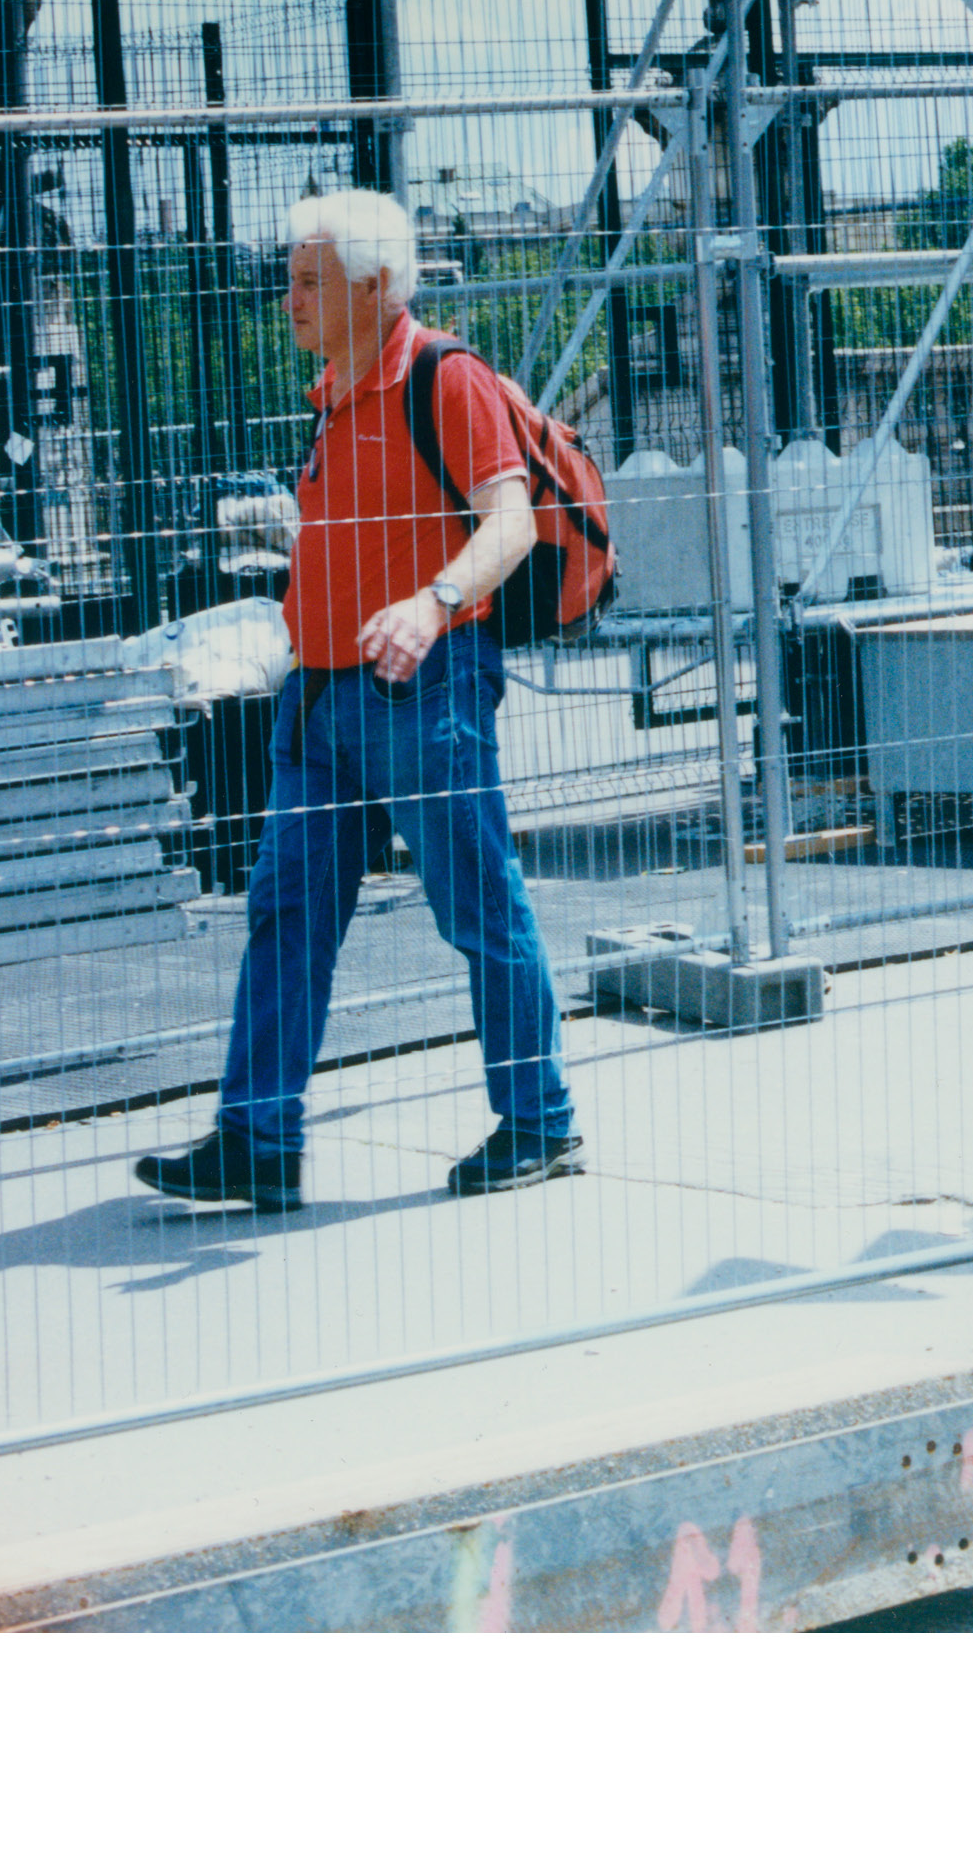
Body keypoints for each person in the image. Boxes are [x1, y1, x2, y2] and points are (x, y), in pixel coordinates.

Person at [136, 187, 586, 1214]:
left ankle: (540, 1122)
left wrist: (430, 608)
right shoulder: (335, 390)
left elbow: (509, 524)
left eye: (307, 279)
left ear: (375, 287)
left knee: (478, 906)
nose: (285, 297)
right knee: (285, 915)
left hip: (423, 692)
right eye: (289, 277)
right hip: (324, 702)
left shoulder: (445, 378)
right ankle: (256, 1136)